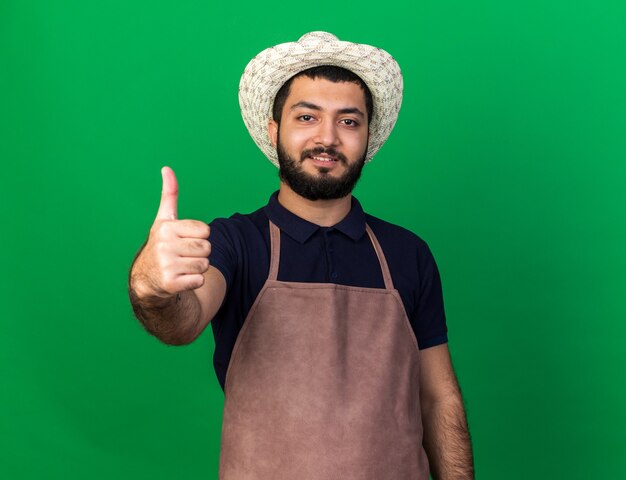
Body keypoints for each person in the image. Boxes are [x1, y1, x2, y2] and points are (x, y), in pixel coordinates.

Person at [129, 31, 474, 480]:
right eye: (307, 116)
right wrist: (151, 285)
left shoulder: (408, 254)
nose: (327, 138)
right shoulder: (235, 242)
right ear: (275, 131)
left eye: (349, 121)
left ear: (368, 137)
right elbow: (182, 322)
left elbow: (438, 397)